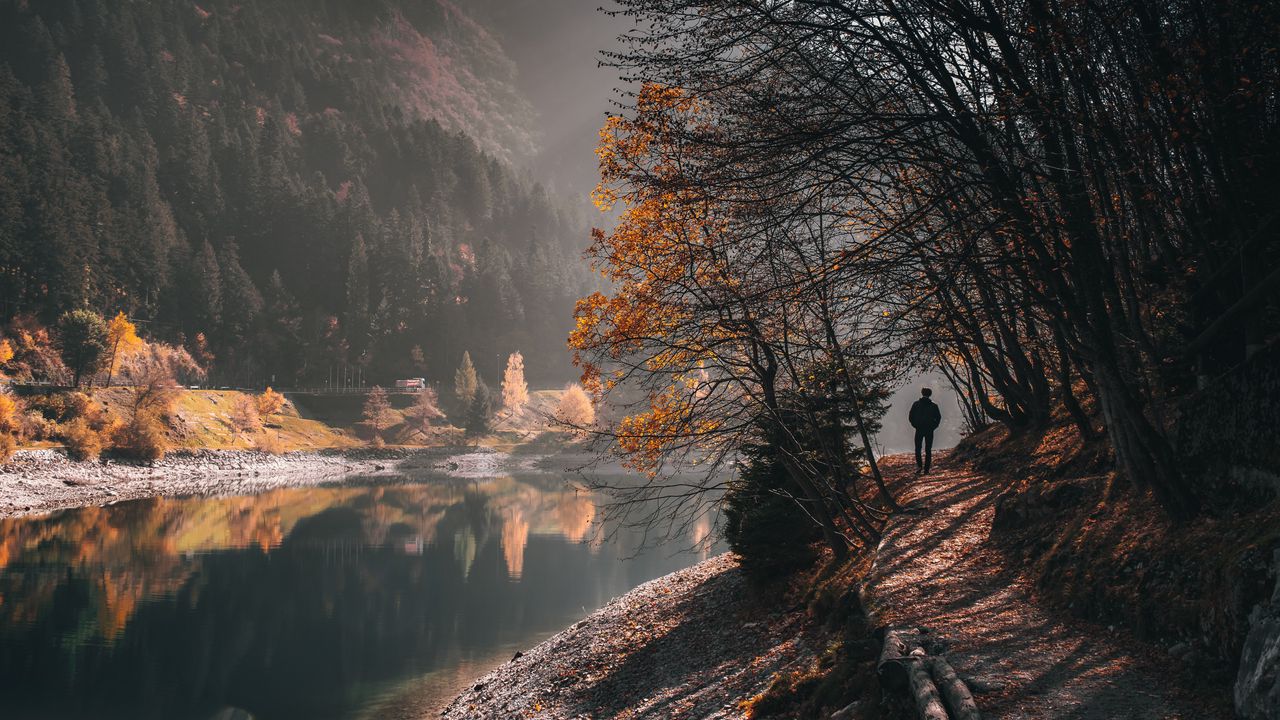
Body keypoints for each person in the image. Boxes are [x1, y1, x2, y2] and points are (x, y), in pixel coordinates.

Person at [908, 387, 942, 474]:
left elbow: (911, 416)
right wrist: (933, 426)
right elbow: (938, 418)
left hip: (919, 429)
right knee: (928, 450)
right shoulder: (934, 406)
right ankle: (926, 470)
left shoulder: (916, 404)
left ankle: (919, 467)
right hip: (929, 430)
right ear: (930, 394)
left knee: (918, 449)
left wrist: (915, 425)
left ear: (922, 393)